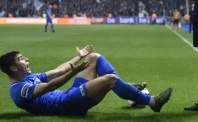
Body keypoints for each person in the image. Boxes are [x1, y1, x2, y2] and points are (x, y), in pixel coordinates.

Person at [0, 45, 172, 116]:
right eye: (22, 59)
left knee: (94, 57)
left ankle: (126, 89)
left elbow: (58, 71)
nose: (27, 59)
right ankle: (152, 102)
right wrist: (74, 73)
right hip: (67, 105)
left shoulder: (29, 77)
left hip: (69, 95)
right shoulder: (18, 90)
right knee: (110, 79)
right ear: (14, 68)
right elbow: (50, 86)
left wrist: (78, 58)